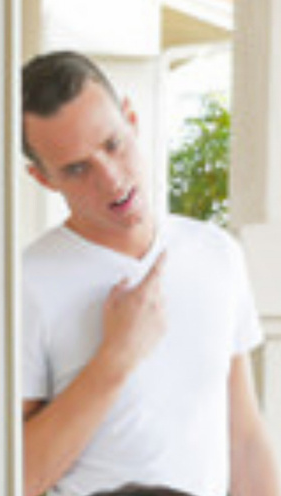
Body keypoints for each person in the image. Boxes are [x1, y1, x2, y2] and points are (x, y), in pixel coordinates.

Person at [21, 51, 280, 496]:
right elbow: (13, 479)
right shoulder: (25, 284)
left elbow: (245, 441)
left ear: (131, 118)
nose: (110, 180)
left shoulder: (217, 253)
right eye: (77, 169)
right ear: (44, 179)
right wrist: (116, 357)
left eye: (112, 144)